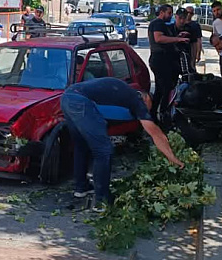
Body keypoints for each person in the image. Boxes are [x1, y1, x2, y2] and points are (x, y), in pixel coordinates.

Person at [61, 77, 184, 211]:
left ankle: (81, 188)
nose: (147, 112)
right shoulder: (137, 100)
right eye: (149, 107)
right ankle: (102, 201)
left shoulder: (122, 94)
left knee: (81, 145)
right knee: (104, 151)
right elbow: (156, 133)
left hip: (67, 97)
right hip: (80, 102)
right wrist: (172, 158)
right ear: (146, 98)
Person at [147, 4, 189, 123]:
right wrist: (178, 39)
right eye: (169, 13)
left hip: (161, 60)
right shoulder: (158, 23)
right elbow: (159, 38)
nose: (171, 16)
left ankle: (154, 114)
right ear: (162, 12)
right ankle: (163, 114)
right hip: (160, 60)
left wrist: (176, 36)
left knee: (160, 89)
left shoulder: (159, 24)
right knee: (166, 88)